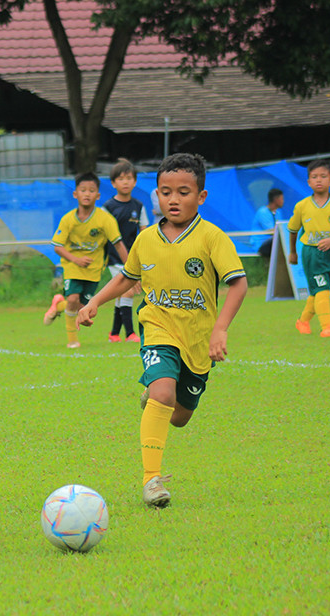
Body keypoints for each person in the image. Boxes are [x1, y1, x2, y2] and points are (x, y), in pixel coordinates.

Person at [77, 153, 248, 508]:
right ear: (156, 195)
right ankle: (151, 481)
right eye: (165, 192)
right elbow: (127, 276)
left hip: (198, 341)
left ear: (201, 196)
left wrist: (220, 330)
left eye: (183, 192)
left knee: (181, 417)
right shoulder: (146, 239)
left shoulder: (212, 238)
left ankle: (156, 400)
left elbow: (239, 284)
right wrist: (95, 302)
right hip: (157, 329)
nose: (173, 199)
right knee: (163, 393)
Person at [43, 172, 128, 349]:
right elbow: (58, 246)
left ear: (97, 195)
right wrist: (76, 259)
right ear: (76, 194)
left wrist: (131, 270)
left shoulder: (105, 219)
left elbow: (118, 244)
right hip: (73, 267)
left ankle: (59, 305)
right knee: (73, 299)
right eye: (83, 190)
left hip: (94, 270)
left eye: (91, 190)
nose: (87, 194)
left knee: (84, 307)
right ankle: (73, 340)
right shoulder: (68, 219)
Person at [288, 160, 330, 337]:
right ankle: (327, 326)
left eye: (323, 176)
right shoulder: (302, 206)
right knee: (322, 288)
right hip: (312, 253)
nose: (319, 180)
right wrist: (292, 252)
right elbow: (293, 230)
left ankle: (303, 321)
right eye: (314, 177)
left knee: (317, 290)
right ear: (308, 182)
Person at [103, 158, 149, 343]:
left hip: (134, 258)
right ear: (113, 183)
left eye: (129, 178)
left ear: (135, 181)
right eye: (121, 179)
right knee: (128, 291)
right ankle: (130, 333)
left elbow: (144, 233)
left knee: (121, 294)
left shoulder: (138, 206)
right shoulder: (107, 208)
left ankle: (114, 333)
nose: (125, 182)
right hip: (115, 258)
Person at [253, 188, 283, 259]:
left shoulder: (278, 212)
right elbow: (271, 231)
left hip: (273, 242)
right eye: (282, 199)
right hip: (262, 244)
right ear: (276, 199)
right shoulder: (263, 212)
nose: (283, 201)